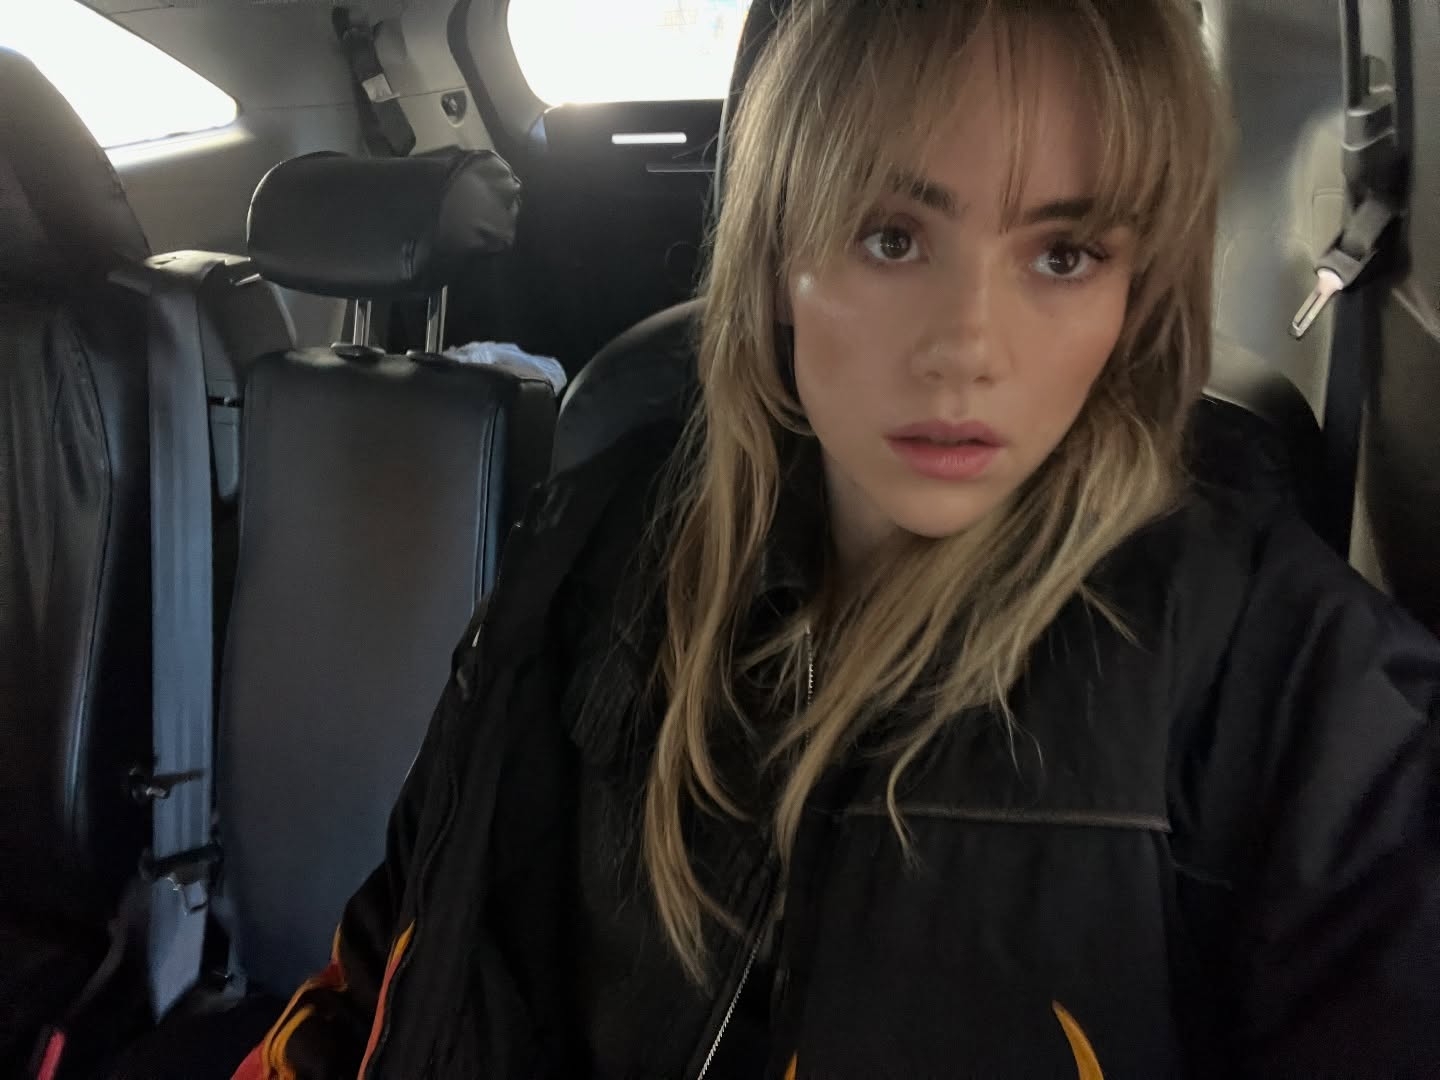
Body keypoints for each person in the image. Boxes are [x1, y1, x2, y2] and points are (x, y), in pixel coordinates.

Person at [234, 0, 1440, 1076]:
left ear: (1135, 294)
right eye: (892, 237)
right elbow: (402, 964)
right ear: (775, 261)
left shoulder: (1289, 683)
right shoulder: (589, 556)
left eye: (1063, 255)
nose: (968, 347)